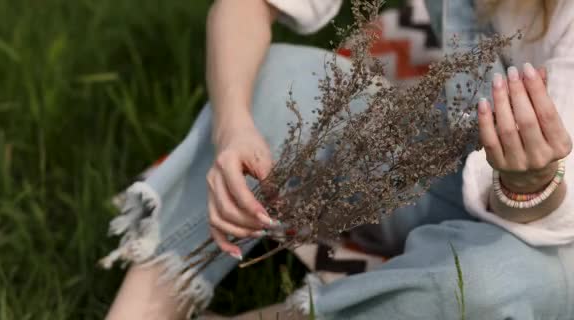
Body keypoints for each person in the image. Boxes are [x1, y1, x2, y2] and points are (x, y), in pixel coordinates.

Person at [103, 0, 574, 319]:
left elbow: (553, 209)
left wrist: (527, 182)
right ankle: (149, 302)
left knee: (493, 284)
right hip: (463, 153)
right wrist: (233, 130)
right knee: (278, 82)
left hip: (555, 220)